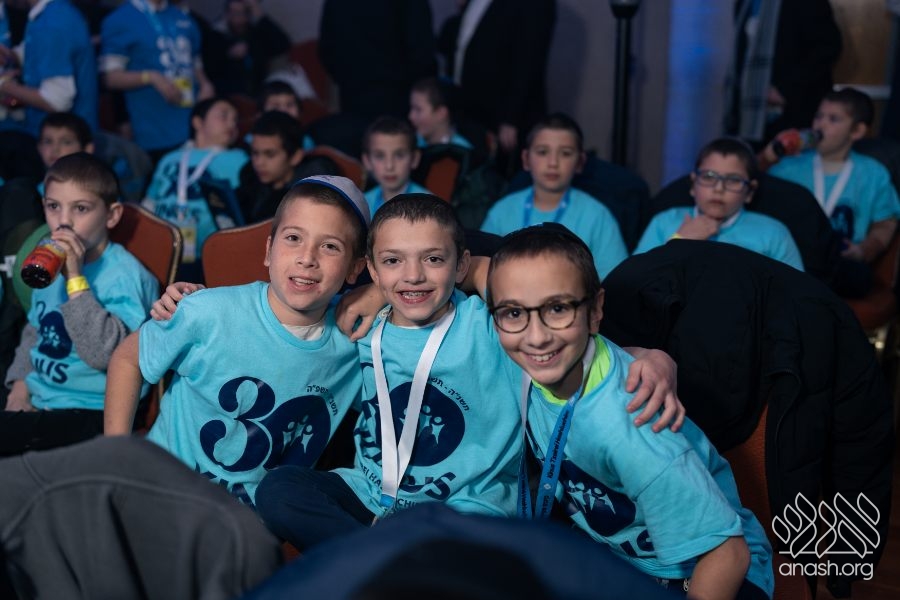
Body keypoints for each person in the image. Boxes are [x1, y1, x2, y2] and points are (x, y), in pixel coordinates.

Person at [253, 194, 684, 551]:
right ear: (372, 270)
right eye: (394, 261)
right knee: (278, 489)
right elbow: (290, 334)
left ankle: (379, 567)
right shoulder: (361, 328)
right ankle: (390, 566)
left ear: (460, 266)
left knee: (460, 547)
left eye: (433, 259)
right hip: (371, 498)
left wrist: (648, 355)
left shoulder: (489, 323)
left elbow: (554, 325)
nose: (413, 276)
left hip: (466, 509)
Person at [486, 223, 773, 599]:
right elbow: (462, 267)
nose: (536, 336)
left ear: (595, 310)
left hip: (702, 570)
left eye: (557, 308)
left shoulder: (630, 428)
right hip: (616, 554)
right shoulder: (530, 357)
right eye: (513, 312)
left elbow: (727, 555)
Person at [104, 175, 370, 506]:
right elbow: (128, 359)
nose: (307, 258)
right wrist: (116, 457)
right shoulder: (208, 312)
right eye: (293, 238)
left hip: (255, 522)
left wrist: (379, 293)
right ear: (269, 250)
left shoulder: (357, 341)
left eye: (330, 246)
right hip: (162, 494)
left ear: (355, 268)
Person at [2, 152, 158, 455]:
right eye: (53, 206)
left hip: (95, 408)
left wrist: (75, 279)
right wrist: (20, 385)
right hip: (42, 396)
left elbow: (105, 356)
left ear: (112, 215)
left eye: (81, 208)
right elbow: (34, 329)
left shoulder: (124, 276)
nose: (64, 221)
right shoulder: (49, 260)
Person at [766, 87, 900, 297]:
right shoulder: (788, 167)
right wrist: (768, 157)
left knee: (859, 276)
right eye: (818, 116)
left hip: (839, 261)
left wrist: (863, 250)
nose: (820, 124)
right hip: (793, 255)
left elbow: (885, 223)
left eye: (833, 119)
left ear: (857, 131)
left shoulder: (873, 173)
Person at [480, 113, 628, 279]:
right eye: (543, 152)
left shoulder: (597, 217)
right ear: (526, 159)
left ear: (580, 162)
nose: (553, 163)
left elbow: (615, 282)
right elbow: (481, 269)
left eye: (565, 153)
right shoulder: (502, 211)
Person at [635, 137, 804, 271]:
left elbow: (796, 295)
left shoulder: (774, 234)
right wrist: (679, 241)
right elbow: (633, 282)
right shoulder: (665, 222)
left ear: (750, 192)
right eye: (709, 177)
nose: (718, 188)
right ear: (693, 184)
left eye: (733, 180)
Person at [99, 0, 215, 161]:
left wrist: (205, 84)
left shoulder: (183, 17)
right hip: (151, 130)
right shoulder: (120, 19)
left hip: (191, 125)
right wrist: (151, 77)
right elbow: (110, 78)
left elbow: (194, 63)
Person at [144, 96, 247, 274]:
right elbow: (149, 204)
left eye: (235, 120)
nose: (231, 124)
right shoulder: (170, 158)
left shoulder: (239, 159)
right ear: (198, 122)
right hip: (162, 249)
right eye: (223, 116)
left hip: (210, 253)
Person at [318, 0, 436, 121]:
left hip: (354, 95)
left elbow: (327, 50)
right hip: (398, 95)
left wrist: (347, 79)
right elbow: (422, 51)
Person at [0, 0, 98, 136]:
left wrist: (4, 85)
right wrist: (11, 56)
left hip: (66, 140)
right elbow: (41, 53)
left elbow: (56, 101)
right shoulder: (53, 14)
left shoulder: (52, 24)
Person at [236, 110, 338, 224]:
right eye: (255, 153)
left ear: (295, 156)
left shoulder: (313, 186)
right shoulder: (250, 177)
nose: (259, 163)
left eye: (270, 154)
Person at [208, 0, 291, 97]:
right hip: (227, 93)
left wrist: (260, 15)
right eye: (232, 12)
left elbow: (283, 45)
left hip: (258, 91)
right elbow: (209, 67)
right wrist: (228, 54)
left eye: (240, 12)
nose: (236, 16)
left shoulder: (256, 35)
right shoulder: (216, 36)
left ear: (248, 15)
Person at [361, 116, 429, 215]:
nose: (389, 166)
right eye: (380, 156)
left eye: (399, 155)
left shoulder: (429, 206)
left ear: (414, 159)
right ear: (367, 161)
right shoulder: (362, 204)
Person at [408, 76, 471, 149]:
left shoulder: (462, 151)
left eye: (418, 110)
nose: (411, 116)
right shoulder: (410, 144)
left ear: (441, 113)